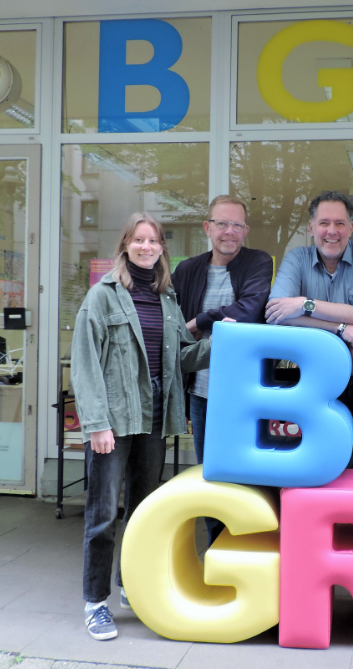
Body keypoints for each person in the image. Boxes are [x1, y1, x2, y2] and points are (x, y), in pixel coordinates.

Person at [71, 212, 210, 641]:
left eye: (154, 241)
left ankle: (131, 586)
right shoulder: (103, 295)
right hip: (113, 422)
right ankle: (95, 603)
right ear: (125, 245)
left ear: (162, 249)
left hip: (152, 420)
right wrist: (96, 424)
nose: (147, 247)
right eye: (139, 240)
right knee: (101, 516)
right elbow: (86, 363)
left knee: (143, 511)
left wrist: (218, 344)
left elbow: (180, 360)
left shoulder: (168, 300)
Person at [266, 190, 353, 470]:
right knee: (323, 457)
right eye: (324, 223)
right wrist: (341, 328)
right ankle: (329, 516)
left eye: (340, 224)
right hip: (320, 374)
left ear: (351, 228)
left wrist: (304, 304)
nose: (332, 231)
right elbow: (277, 314)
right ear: (311, 227)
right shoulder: (296, 259)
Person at [172, 195, 273, 544]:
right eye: (222, 223)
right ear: (207, 227)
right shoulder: (187, 270)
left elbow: (248, 309)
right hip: (202, 392)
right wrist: (213, 322)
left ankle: (253, 547)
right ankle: (219, 548)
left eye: (237, 225)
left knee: (250, 473)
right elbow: (172, 320)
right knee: (212, 473)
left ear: (245, 230)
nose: (229, 232)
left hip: (247, 392)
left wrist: (199, 321)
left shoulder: (258, 262)